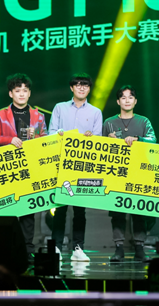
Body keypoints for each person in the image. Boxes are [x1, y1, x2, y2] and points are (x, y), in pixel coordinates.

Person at [0, 73, 48, 256]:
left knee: (28, 210)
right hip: (7, 168)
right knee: (7, 209)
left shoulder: (38, 116)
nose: (21, 94)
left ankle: (27, 249)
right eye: (17, 90)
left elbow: (44, 139)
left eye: (25, 90)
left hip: (29, 167)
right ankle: (4, 249)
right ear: (10, 93)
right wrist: (9, 139)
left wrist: (35, 139)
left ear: (30, 93)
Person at [49, 73, 103, 262]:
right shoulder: (60, 108)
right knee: (60, 209)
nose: (81, 87)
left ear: (89, 89)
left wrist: (91, 138)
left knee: (80, 211)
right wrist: (59, 134)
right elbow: (51, 132)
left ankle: (78, 248)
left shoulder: (96, 112)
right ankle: (56, 247)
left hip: (83, 166)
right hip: (61, 164)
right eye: (78, 84)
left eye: (85, 85)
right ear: (71, 88)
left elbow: (98, 139)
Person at [103, 85, 156, 263]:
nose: (127, 100)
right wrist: (107, 141)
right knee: (117, 211)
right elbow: (99, 148)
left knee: (139, 211)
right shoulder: (109, 122)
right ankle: (119, 249)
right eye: (123, 97)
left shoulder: (144, 121)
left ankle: (140, 248)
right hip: (116, 173)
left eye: (130, 97)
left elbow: (153, 141)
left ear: (135, 101)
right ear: (118, 101)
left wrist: (138, 139)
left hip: (138, 172)